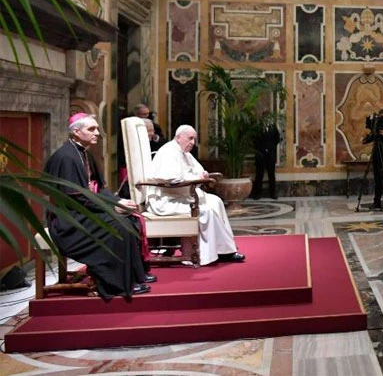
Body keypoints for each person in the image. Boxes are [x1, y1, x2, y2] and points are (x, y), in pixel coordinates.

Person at [44, 113, 152, 299]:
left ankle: (134, 275)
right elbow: (75, 198)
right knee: (118, 226)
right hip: (68, 219)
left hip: (85, 210)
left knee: (130, 219)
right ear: (76, 132)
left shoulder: (84, 153)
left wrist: (117, 201)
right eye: (91, 129)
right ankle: (117, 284)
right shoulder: (66, 158)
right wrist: (110, 208)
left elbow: (98, 188)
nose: (97, 133)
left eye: (96, 128)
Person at [145, 125, 243, 265]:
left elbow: (198, 170)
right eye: (190, 138)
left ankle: (224, 249)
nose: (192, 142)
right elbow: (172, 180)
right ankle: (204, 255)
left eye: (194, 139)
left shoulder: (184, 152)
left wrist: (202, 175)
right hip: (165, 200)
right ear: (179, 138)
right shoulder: (168, 152)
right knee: (206, 210)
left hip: (181, 195)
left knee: (216, 201)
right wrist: (196, 178)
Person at [251, 120, 280, 200]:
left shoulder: (273, 127)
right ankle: (257, 194)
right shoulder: (258, 128)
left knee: (271, 174)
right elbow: (254, 140)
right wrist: (262, 149)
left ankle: (273, 193)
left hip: (270, 154)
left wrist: (270, 148)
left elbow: (277, 139)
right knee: (259, 174)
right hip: (260, 154)